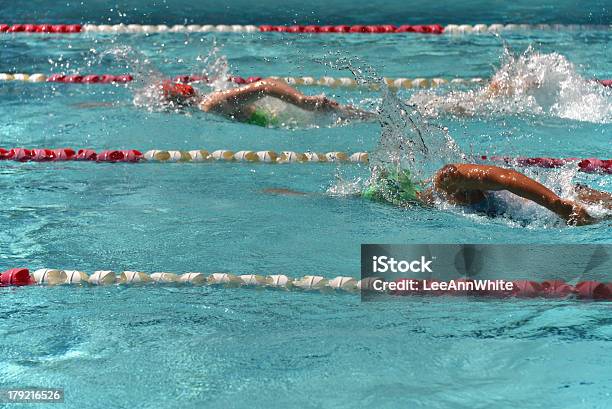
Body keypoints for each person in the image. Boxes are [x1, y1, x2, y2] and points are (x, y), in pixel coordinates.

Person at [267, 163, 612, 226]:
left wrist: (556, 204)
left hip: (564, 200)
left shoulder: (449, 184)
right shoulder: (458, 203)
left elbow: (505, 177)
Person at [161, 78, 373, 126]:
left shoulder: (210, 103)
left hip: (293, 114)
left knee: (366, 119)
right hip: (283, 118)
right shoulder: (206, 104)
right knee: (365, 119)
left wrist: (301, 101)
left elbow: (264, 86)